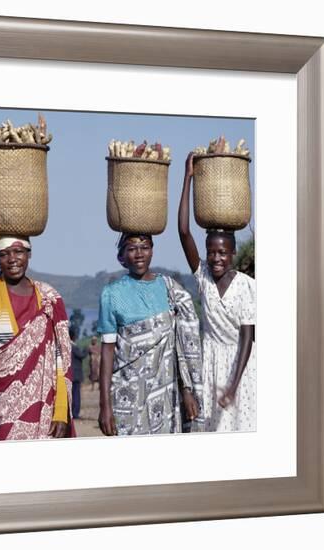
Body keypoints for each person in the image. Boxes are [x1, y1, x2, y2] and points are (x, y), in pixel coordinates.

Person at [0, 236, 74, 441]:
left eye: (19, 252)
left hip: (44, 410)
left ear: (29, 254)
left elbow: (61, 359)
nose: (12, 259)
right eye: (4, 254)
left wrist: (60, 412)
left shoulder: (49, 298)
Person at [178, 152, 256, 432]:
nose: (216, 258)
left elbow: (247, 338)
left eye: (222, 252)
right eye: (211, 252)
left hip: (240, 368)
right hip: (209, 363)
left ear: (233, 253)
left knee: (241, 430)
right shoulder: (204, 279)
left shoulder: (247, 286)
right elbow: (185, 231)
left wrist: (233, 386)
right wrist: (187, 179)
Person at [97, 233, 203, 436]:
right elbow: (107, 353)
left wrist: (186, 390)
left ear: (152, 251)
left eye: (145, 247)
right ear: (121, 256)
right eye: (132, 248)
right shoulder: (111, 294)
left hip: (165, 395)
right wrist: (105, 406)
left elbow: (181, 345)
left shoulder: (168, 289)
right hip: (127, 394)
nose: (139, 254)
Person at [69, 327, 87, 419]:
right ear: (74, 337)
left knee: (70, 394)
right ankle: (75, 413)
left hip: (69, 375)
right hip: (75, 375)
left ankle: (70, 413)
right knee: (76, 394)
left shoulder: (66, 346)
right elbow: (82, 355)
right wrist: (86, 350)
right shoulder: (74, 347)